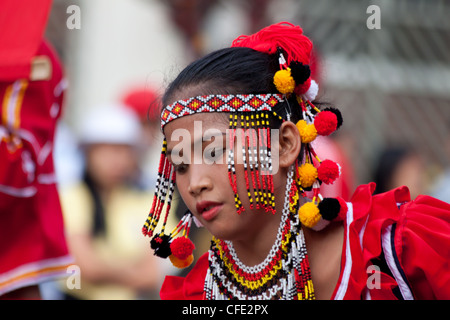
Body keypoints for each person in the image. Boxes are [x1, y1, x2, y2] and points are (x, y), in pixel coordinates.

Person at [141, 22, 450, 300]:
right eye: (181, 166)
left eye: (214, 151)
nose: (195, 184)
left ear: (286, 145)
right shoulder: (198, 295)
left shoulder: (401, 251)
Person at [59, 104, 170, 299]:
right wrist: (132, 270)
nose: (117, 160)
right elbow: (85, 268)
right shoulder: (72, 195)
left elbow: (152, 275)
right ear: (88, 153)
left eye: (124, 151)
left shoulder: (143, 199)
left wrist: (103, 269)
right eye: (107, 151)